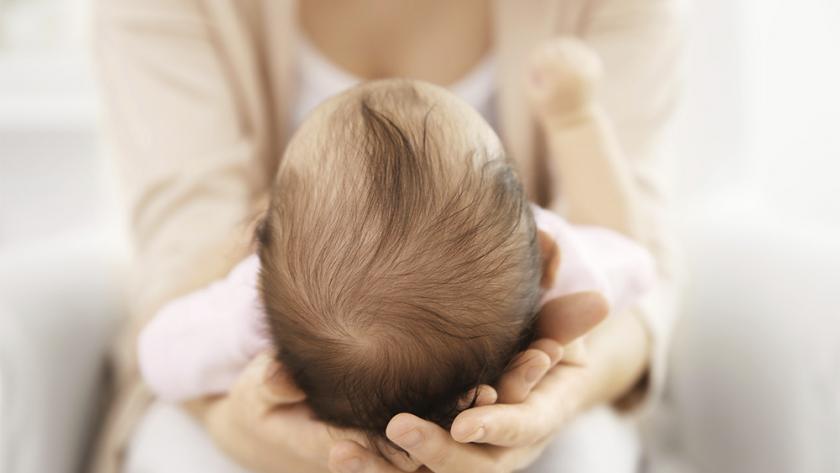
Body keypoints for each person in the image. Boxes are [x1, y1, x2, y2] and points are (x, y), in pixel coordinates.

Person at [91, 1, 683, 472]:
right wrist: (575, 119)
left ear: (259, 247)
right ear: (547, 258)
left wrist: (567, 403)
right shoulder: (548, 266)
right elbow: (632, 258)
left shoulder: (250, 303)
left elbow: (162, 350)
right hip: (485, 418)